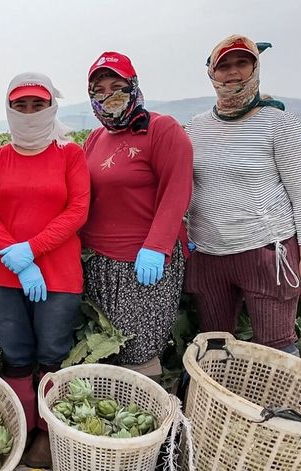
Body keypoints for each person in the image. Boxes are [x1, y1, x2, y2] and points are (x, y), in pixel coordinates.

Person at [184, 35, 301, 354]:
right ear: (211, 73)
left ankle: (279, 406)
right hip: (209, 255)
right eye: (224, 65)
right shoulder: (196, 127)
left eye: (242, 63)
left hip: (265, 253)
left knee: (276, 348)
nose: (232, 72)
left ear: (255, 68)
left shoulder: (279, 123)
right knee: (215, 345)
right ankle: (220, 403)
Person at [0, 73, 89, 468]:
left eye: (37, 105)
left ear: (51, 107)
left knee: (52, 355)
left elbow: (78, 210)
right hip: (5, 274)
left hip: (58, 274)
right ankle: (22, 426)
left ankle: (45, 437)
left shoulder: (69, 154)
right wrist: (15, 256)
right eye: (20, 105)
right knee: (17, 356)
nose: (28, 112)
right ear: (9, 109)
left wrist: (32, 250)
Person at [80, 52, 193, 379]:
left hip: (143, 264)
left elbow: (177, 190)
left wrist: (157, 246)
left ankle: (151, 423)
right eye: (99, 90)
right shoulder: (96, 137)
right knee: (107, 348)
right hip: (99, 262)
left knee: (138, 350)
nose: (109, 96)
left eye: (117, 86)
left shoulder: (161, 129)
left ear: (134, 86)